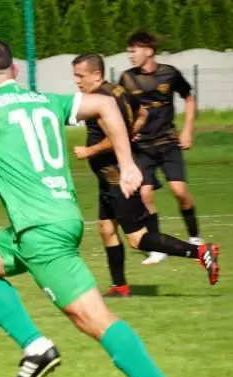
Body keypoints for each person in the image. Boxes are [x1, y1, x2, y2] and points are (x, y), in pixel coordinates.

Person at [0, 39, 191, 377]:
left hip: (42, 234)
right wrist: (127, 163)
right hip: (52, 221)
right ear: (15, 72)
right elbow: (106, 105)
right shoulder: (44, 100)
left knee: (93, 319)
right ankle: (35, 347)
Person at [71, 53, 219, 296]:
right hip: (108, 176)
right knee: (106, 228)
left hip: (119, 177)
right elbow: (143, 114)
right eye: (75, 76)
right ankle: (120, 287)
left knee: (138, 238)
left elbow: (114, 137)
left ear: (96, 75)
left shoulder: (99, 100)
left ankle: (201, 252)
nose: (77, 81)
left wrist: (89, 150)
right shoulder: (118, 90)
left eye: (80, 76)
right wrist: (129, 134)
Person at [120, 31, 200, 265]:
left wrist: (187, 129)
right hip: (142, 147)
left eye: (134, 50)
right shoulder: (126, 78)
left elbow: (189, 99)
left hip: (167, 142)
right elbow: (120, 107)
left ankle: (195, 237)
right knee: (145, 194)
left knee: (179, 191)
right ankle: (157, 248)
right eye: (129, 50)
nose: (130, 55)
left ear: (149, 51)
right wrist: (129, 130)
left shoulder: (169, 73)